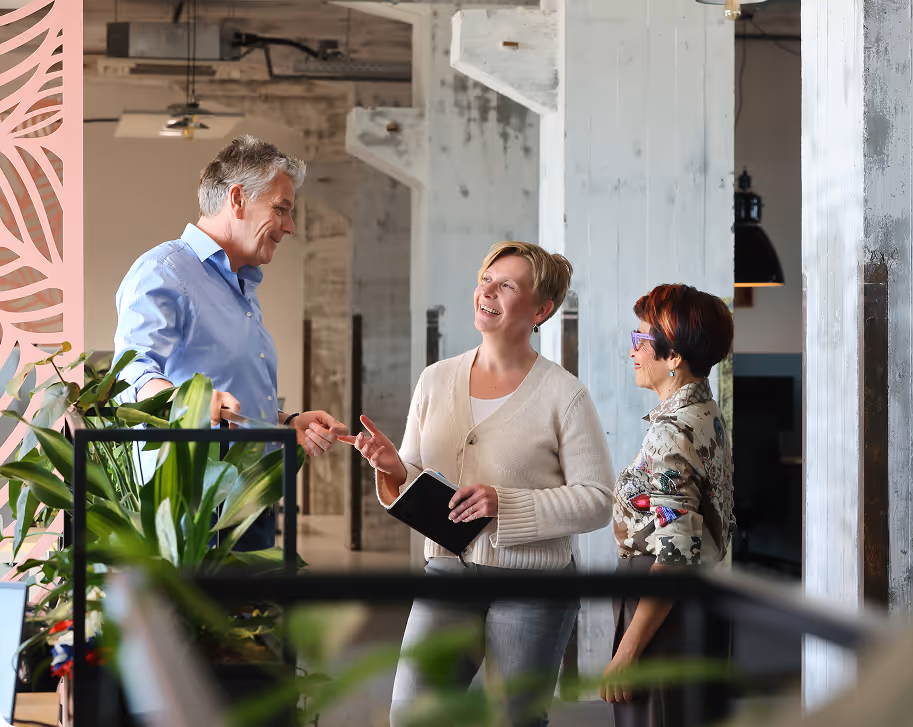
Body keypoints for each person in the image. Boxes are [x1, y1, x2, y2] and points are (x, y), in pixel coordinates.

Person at [341, 241, 614, 727]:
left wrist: (502, 504)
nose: (486, 291)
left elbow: (597, 501)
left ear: (540, 310)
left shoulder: (564, 394)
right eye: (485, 278)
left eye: (506, 285)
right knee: (411, 715)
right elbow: (417, 480)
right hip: (447, 575)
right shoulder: (435, 380)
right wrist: (394, 470)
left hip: (534, 583)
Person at [113, 135, 346, 550]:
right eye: (282, 210)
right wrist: (191, 401)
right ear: (237, 199)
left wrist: (287, 422)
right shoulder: (164, 272)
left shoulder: (240, 284)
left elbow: (228, 392)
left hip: (246, 498)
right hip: (195, 503)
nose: (290, 227)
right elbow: (131, 374)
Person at [602, 284, 736, 727]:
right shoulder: (708, 414)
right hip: (701, 601)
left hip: (662, 608)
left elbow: (675, 555)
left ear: (673, 356)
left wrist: (628, 650)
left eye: (642, 341)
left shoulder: (671, 431)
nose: (633, 351)